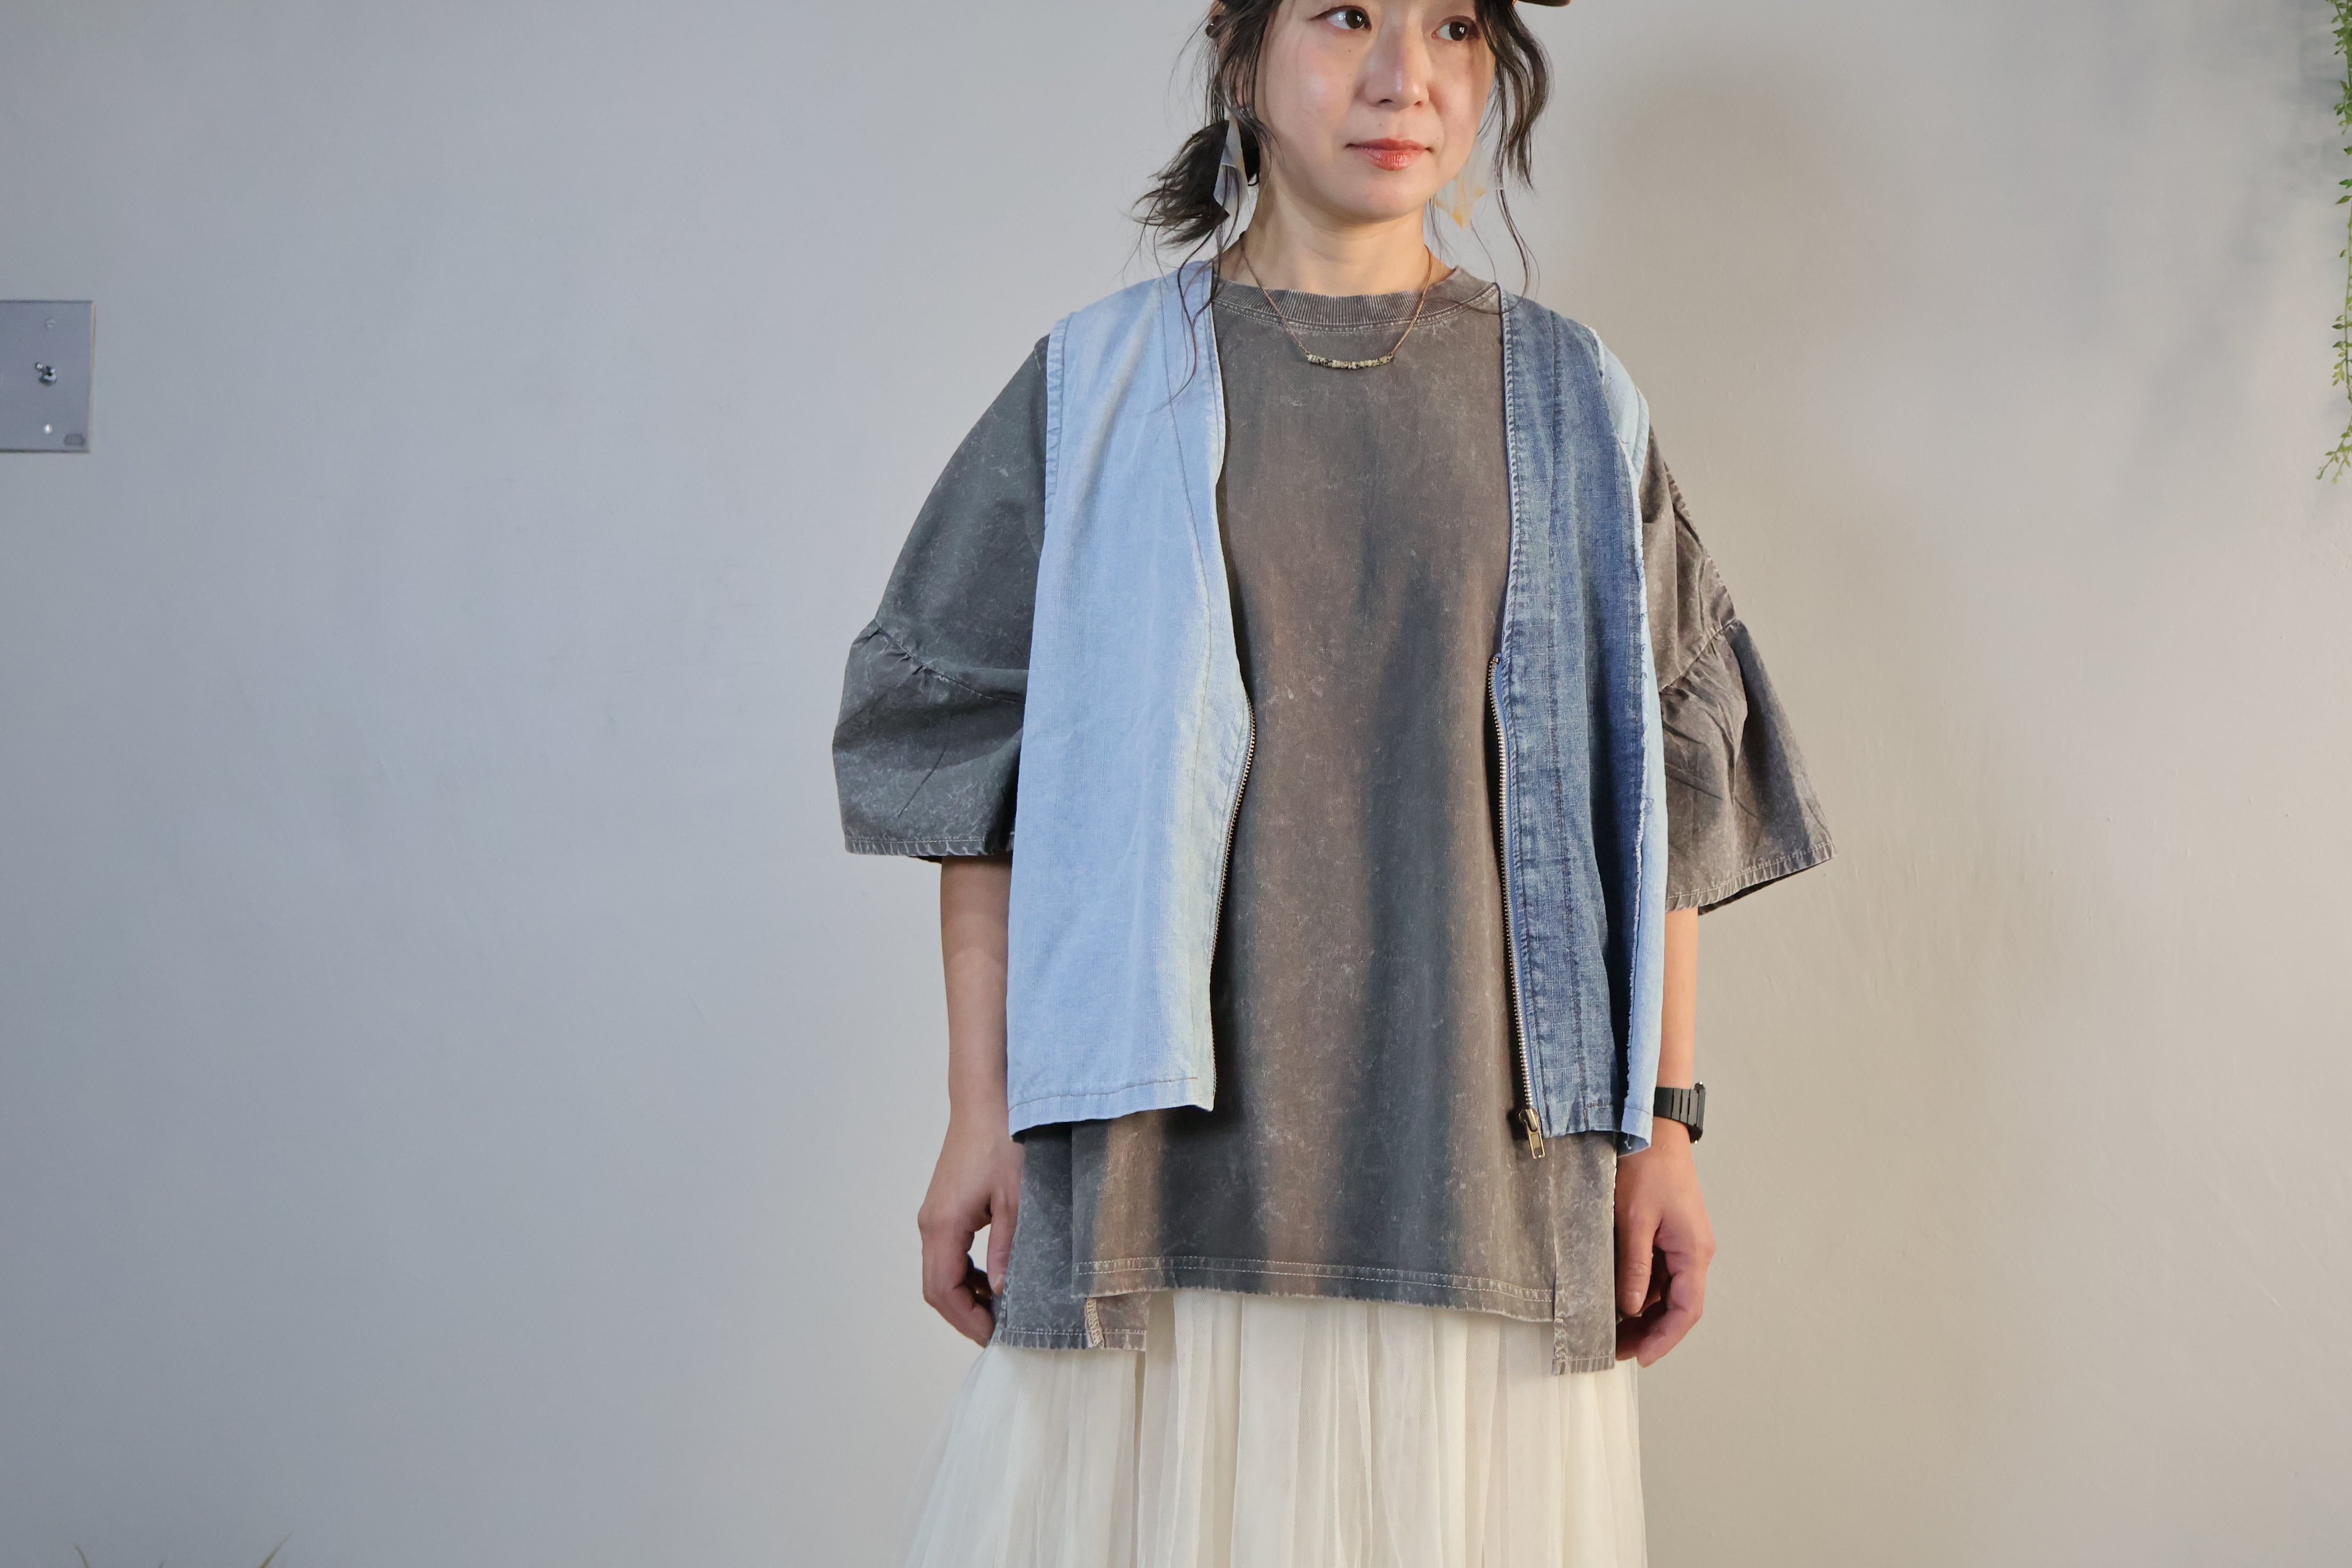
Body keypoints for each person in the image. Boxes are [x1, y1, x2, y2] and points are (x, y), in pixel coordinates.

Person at [831, 2, 1833, 1562]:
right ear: (1242, 58)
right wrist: (981, 1114)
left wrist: (1667, 1131)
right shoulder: (1098, 386)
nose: (1402, 76)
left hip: (1485, 1165)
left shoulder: (1576, 400)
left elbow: (1662, 797)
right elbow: (976, 757)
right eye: (1346, 14)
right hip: (1157, 1173)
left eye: (1453, 25)